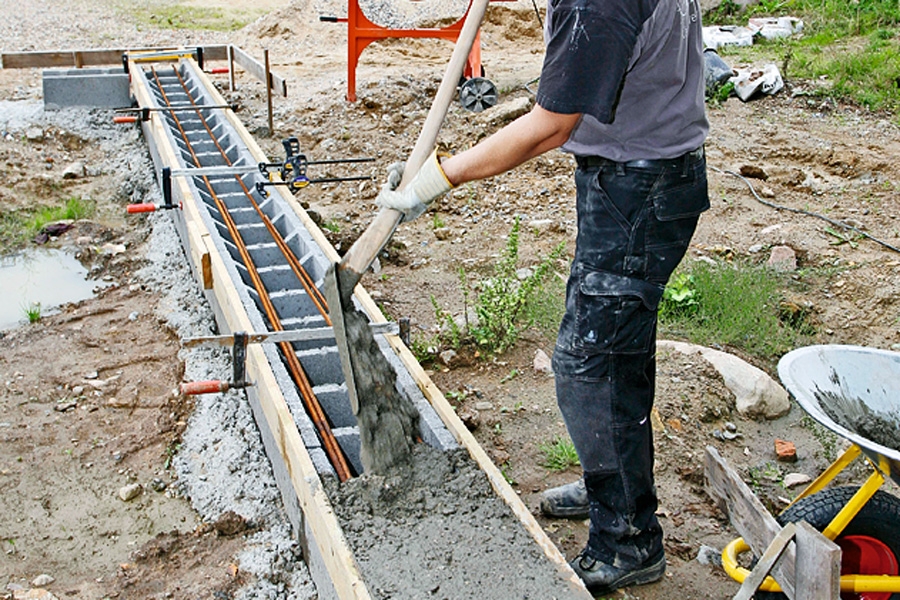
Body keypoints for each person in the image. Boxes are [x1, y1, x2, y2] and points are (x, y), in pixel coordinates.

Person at [376, 0, 710, 594]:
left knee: (591, 367)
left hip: (639, 187)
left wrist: (440, 176)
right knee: (617, 354)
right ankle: (613, 486)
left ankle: (628, 541)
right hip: (645, 175)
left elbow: (551, 125)